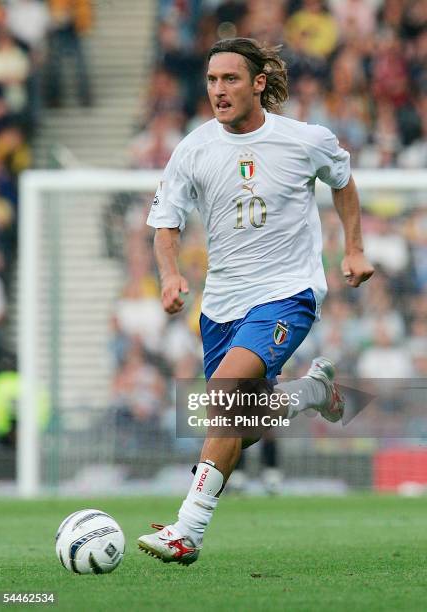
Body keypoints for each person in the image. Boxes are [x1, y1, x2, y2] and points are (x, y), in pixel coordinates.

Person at [138, 37, 374, 565]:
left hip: (288, 292)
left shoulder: (304, 139)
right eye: (211, 81)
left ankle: (187, 530)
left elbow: (344, 181)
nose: (218, 91)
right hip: (221, 305)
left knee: (223, 396)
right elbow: (165, 222)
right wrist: (170, 274)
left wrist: (354, 249)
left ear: (258, 84)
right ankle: (312, 394)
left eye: (230, 80)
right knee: (237, 420)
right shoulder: (194, 148)